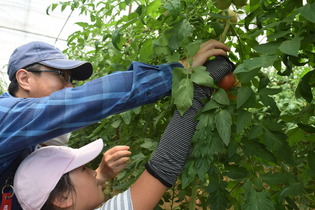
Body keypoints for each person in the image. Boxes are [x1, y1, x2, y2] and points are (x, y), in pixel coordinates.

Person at [0, 39, 230, 209]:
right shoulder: (4, 117)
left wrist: (97, 177)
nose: (69, 87)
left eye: (72, 80)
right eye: (62, 75)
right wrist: (178, 71)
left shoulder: (28, 143)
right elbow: (78, 102)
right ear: (24, 78)